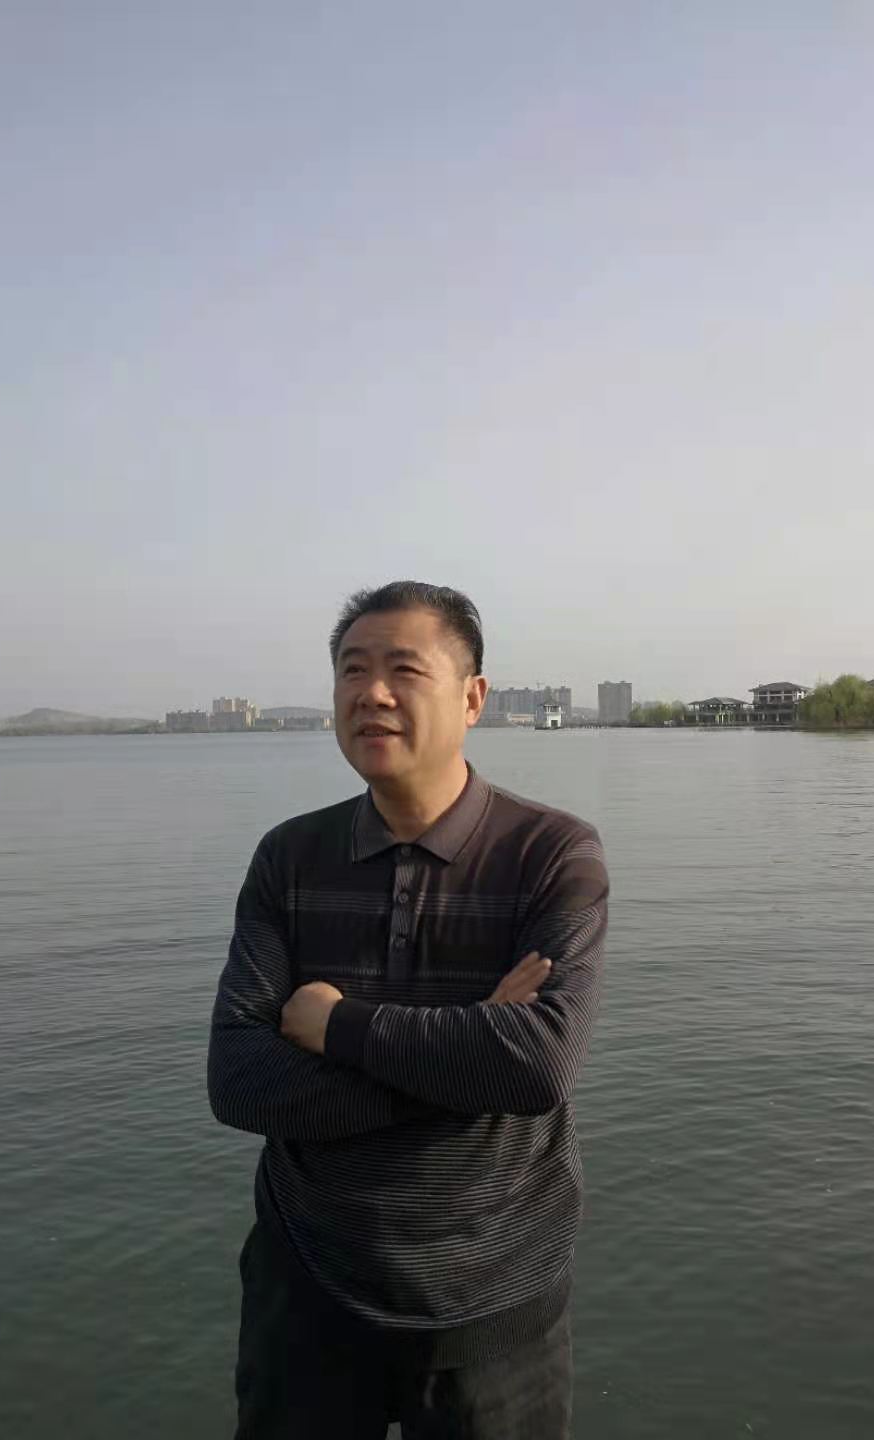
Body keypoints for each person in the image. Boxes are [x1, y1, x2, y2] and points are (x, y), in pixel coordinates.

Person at [208, 580, 610, 1439]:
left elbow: (538, 1063)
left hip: (496, 1315)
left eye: (403, 669)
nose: (373, 694)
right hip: (305, 1301)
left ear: (472, 698)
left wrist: (337, 1026)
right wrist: (465, 1056)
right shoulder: (289, 858)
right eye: (353, 670)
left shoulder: (551, 854)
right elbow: (238, 1081)